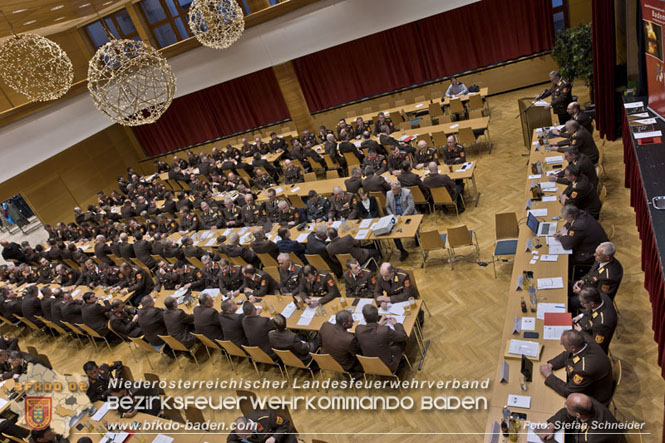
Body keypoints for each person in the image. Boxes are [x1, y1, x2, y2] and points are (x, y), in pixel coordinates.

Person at [539, 329, 614, 405]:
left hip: (594, 398)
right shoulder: (584, 340)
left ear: (573, 348)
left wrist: (549, 375)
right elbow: (569, 354)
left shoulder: (584, 369)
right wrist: (551, 365)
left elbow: (569, 391)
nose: (561, 344)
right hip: (591, 382)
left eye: (563, 344)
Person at [537, 393, 626, 443]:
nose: (565, 408)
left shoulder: (591, 438)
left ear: (578, 415)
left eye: (566, 406)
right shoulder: (588, 402)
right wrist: (551, 426)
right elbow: (567, 413)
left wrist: (547, 440)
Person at [355, 304, 407, 373]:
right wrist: (395, 324)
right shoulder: (384, 330)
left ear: (364, 318)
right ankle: (399, 363)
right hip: (387, 366)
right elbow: (403, 335)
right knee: (401, 342)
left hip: (369, 365)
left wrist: (378, 324)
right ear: (377, 316)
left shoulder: (358, 329)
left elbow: (371, 334)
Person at [573, 287, 618, 354]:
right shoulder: (600, 297)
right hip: (586, 325)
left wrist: (581, 332)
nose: (582, 305)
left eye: (583, 303)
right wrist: (580, 316)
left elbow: (596, 345)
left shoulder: (602, 324)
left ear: (592, 304)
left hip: (591, 345)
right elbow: (592, 310)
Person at [385, 181, 416, 260]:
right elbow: (387, 207)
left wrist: (403, 216)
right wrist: (391, 215)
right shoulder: (389, 194)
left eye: (395, 189)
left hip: (407, 214)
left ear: (399, 188)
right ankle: (402, 250)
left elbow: (411, 206)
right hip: (395, 217)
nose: (393, 191)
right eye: (392, 189)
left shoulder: (407, 192)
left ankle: (416, 238)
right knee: (393, 232)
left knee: (413, 225)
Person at [228, 410, 296, 443]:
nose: (245, 438)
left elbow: (285, 423)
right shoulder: (239, 429)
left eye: (246, 436)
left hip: (285, 437)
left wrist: (274, 437)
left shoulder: (267, 417)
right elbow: (231, 440)